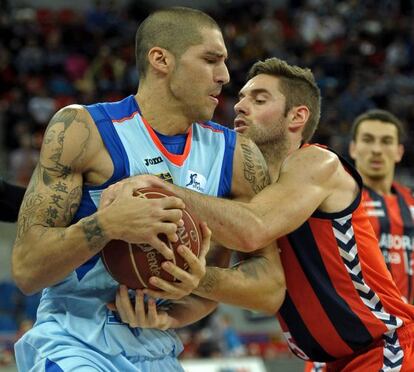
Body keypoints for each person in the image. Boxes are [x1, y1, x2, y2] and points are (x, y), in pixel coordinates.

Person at [12, 7, 284, 371]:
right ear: (161, 60)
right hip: (75, 342)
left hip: (159, 350)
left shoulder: (239, 157)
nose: (224, 75)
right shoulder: (82, 130)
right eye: (210, 60)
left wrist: (193, 289)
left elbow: (269, 290)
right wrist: (107, 225)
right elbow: (28, 270)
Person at [116, 57, 414, 370]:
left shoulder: (317, 163)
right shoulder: (239, 194)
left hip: (385, 346)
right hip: (324, 362)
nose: (240, 107)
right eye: (241, 98)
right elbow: (235, 288)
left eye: (259, 99)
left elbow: (254, 228)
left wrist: (162, 188)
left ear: (297, 117)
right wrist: (169, 311)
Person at [306, 109, 414, 372]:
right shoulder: (332, 202)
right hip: (340, 345)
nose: (376, 150)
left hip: (401, 342)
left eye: (386, 142)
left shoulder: (411, 204)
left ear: (399, 151)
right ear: (353, 148)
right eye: (368, 140)